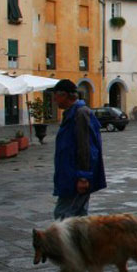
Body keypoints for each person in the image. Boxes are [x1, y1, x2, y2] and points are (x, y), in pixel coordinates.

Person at [51, 79, 106, 220]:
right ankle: (81, 242)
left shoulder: (79, 114)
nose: (54, 99)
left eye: (55, 95)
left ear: (64, 95)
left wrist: (83, 176)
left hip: (75, 178)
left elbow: (86, 147)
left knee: (63, 218)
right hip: (69, 176)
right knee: (78, 221)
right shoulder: (72, 113)